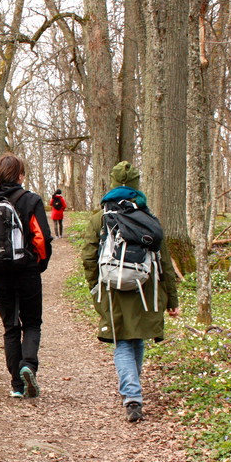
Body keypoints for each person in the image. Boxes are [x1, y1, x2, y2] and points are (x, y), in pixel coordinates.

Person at [81, 161, 180, 422]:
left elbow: (89, 256)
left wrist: (95, 286)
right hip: (145, 288)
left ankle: (132, 396)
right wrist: (172, 299)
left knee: (123, 339)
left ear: (112, 184)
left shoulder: (99, 218)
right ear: (137, 186)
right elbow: (165, 263)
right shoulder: (148, 218)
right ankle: (133, 392)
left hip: (111, 287)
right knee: (136, 337)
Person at [0, 153, 53, 399]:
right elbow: (42, 238)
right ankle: (28, 364)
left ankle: (17, 385)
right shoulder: (31, 200)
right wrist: (39, 265)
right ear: (20, 175)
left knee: (10, 327)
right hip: (27, 271)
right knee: (31, 323)